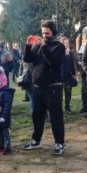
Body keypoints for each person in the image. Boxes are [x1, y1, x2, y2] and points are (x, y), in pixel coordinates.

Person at [22, 20, 66, 155]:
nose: (45, 35)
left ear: (53, 33)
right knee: (37, 116)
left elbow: (53, 62)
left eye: (47, 33)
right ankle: (36, 140)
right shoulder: (37, 45)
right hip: (37, 87)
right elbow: (28, 59)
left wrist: (44, 47)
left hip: (52, 87)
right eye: (43, 33)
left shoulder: (59, 47)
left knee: (55, 116)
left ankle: (59, 143)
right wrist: (29, 46)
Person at [60, 37, 77, 115]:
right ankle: (59, 109)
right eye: (65, 43)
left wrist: (74, 73)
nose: (67, 44)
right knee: (59, 94)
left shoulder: (70, 52)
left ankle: (67, 108)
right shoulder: (58, 52)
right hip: (59, 76)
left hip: (68, 76)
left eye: (67, 43)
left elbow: (72, 63)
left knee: (68, 93)